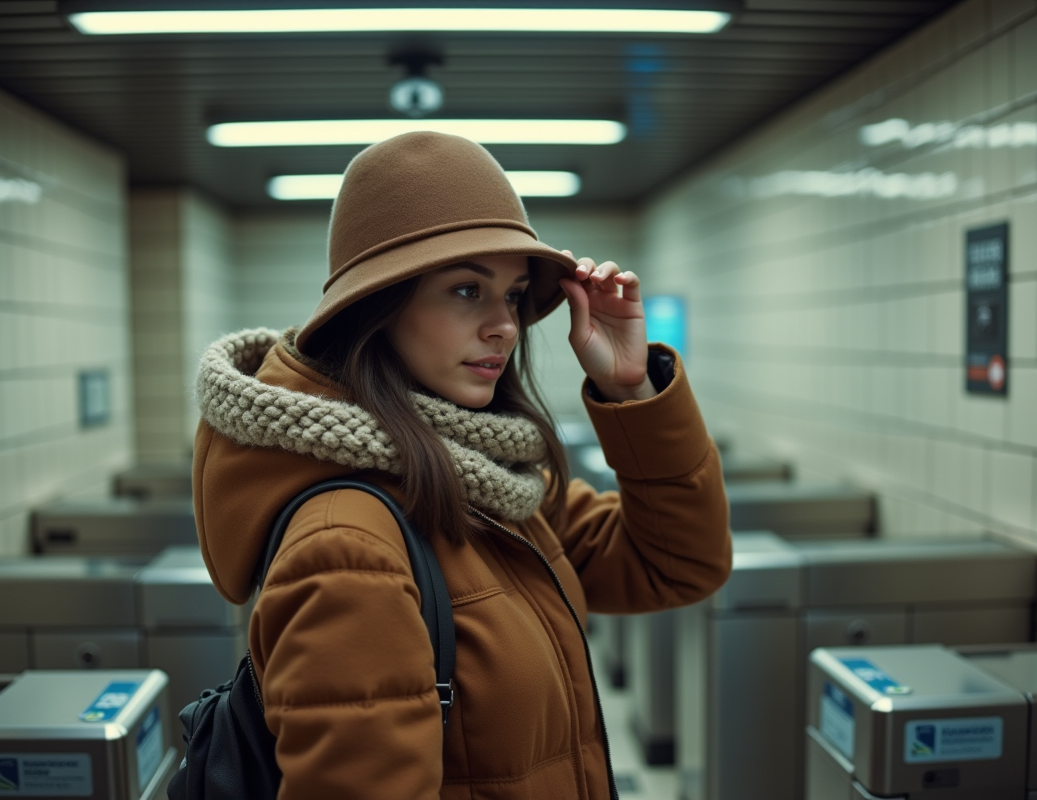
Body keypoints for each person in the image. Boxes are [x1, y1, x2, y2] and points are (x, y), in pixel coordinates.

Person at [192, 131, 731, 799]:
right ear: (377, 309)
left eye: (510, 295)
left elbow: (678, 563)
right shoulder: (346, 546)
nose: (505, 325)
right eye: (466, 290)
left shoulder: (489, 485)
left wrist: (631, 389)